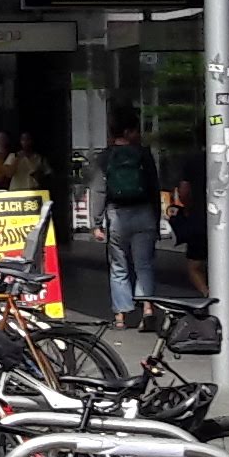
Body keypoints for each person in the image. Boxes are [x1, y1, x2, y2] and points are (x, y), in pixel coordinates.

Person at [88, 113, 170, 327]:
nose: (139, 134)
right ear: (127, 132)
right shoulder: (143, 154)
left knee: (118, 266)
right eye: (136, 130)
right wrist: (156, 219)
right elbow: (153, 188)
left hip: (117, 216)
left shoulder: (105, 157)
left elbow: (98, 191)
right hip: (144, 214)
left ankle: (120, 316)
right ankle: (148, 309)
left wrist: (96, 223)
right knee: (144, 265)